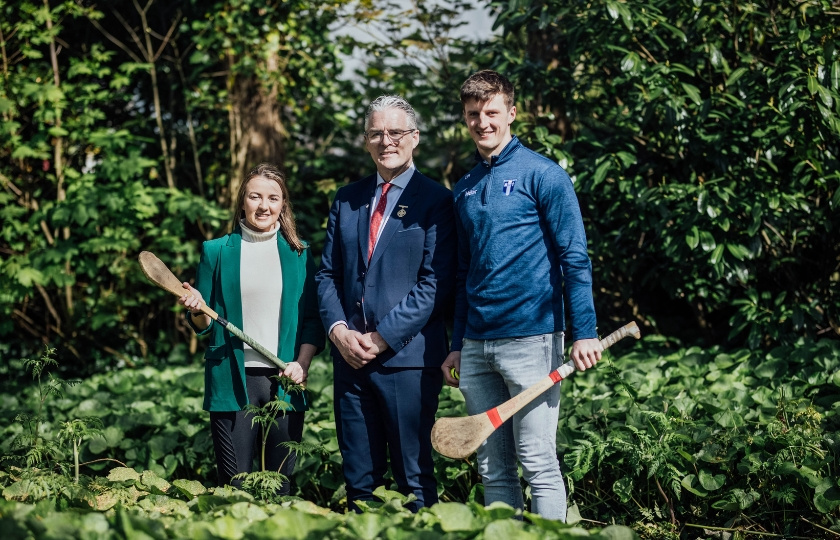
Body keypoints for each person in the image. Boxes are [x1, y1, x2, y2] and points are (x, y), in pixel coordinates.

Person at [440, 70, 602, 521]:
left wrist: (585, 331)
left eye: (492, 112)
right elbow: (462, 272)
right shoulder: (466, 186)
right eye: (474, 114)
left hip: (532, 339)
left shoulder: (543, 175)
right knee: (493, 469)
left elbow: (575, 258)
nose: (483, 122)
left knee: (537, 461)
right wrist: (457, 344)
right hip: (476, 346)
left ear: (511, 113)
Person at [316, 95, 457, 512]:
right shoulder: (347, 198)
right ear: (365, 141)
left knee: (414, 479)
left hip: (407, 361)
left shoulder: (437, 200)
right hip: (350, 360)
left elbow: (435, 284)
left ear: (414, 138)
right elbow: (326, 275)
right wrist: (339, 332)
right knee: (359, 481)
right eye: (376, 133)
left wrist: (381, 338)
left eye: (395, 132)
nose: (386, 140)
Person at [178, 163, 325, 495]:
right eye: (255, 196)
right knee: (235, 490)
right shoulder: (215, 252)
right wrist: (195, 308)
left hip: (285, 381)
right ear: (242, 201)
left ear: (283, 204)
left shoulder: (300, 254)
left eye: (273, 198)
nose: (264, 206)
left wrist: (301, 365)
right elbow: (202, 324)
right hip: (231, 381)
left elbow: (313, 322)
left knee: (280, 489)